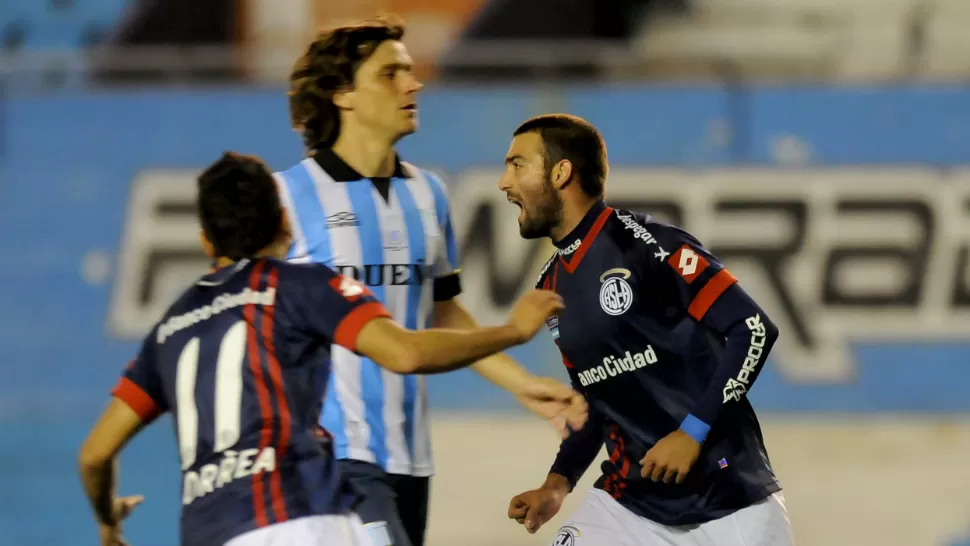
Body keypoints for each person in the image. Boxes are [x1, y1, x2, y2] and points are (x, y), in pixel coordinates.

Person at [77, 152, 566, 546]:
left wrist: (107, 521)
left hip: (213, 532)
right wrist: (512, 331)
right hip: (306, 517)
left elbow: (95, 455)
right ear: (285, 225)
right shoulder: (300, 285)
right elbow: (407, 354)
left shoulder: (171, 329)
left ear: (206, 240)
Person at [276, 15, 587, 546]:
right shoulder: (288, 198)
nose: (413, 83)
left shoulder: (428, 194)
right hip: (328, 454)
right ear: (342, 94)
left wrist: (523, 385)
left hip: (410, 458)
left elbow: (442, 313)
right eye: (390, 73)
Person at [500, 114, 796, 545]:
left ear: (561, 173)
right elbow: (597, 400)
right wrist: (557, 483)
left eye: (517, 165)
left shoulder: (646, 245)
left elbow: (752, 329)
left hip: (730, 502)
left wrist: (691, 433)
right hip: (629, 506)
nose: (504, 182)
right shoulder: (550, 286)